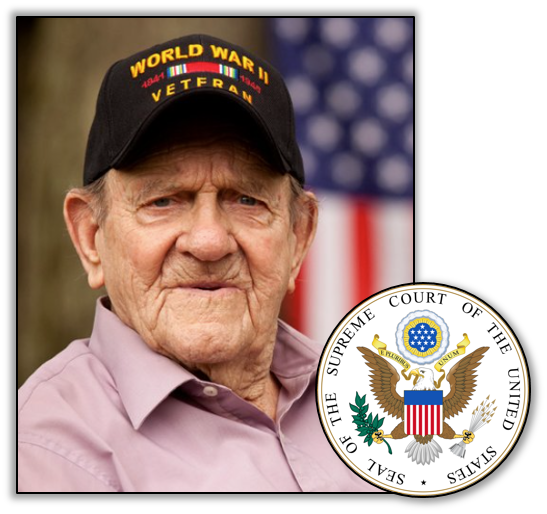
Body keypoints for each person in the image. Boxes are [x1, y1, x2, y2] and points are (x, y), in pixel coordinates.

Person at [18, 34, 380, 492]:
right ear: (91, 238)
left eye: (246, 199)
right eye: (164, 200)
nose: (208, 242)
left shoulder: (371, 399)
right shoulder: (45, 455)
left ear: (299, 236)